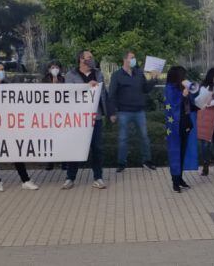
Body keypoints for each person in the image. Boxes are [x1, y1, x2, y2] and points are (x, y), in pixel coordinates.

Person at [0, 62, 39, 192]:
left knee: (15, 152)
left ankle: (25, 180)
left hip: (7, 125)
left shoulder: (8, 87)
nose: (1, 72)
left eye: (3, 69)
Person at [63, 50, 108, 190]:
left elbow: (103, 93)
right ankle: (70, 178)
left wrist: (109, 111)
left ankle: (98, 177)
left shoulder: (98, 74)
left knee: (97, 148)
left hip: (96, 117)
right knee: (75, 148)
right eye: (89, 58)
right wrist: (87, 87)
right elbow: (68, 93)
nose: (91, 60)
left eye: (92, 58)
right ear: (81, 59)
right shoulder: (71, 75)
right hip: (78, 119)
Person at [108, 51, 161, 172]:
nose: (134, 60)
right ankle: (121, 163)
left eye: (134, 58)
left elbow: (145, 89)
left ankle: (147, 161)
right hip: (123, 112)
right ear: (125, 59)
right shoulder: (117, 75)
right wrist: (112, 112)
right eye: (132, 58)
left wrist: (153, 79)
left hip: (139, 111)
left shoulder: (139, 73)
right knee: (123, 139)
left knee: (144, 137)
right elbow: (112, 95)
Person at [164, 66, 194, 192]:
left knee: (182, 152)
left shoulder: (181, 88)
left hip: (185, 122)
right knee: (175, 152)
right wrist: (183, 95)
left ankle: (180, 177)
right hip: (175, 125)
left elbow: (189, 104)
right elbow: (174, 103)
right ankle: (175, 181)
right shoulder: (169, 88)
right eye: (183, 76)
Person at [41, 62, 65, 172]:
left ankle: (64, 161)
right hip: (48, 112)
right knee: (49, 137)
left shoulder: (63, 79)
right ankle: (50, 162)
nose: (55, 69)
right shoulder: (45, 79)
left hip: (61, 112)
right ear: (49, 69)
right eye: (52, 67)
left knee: (62, 137)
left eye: (56, 67)